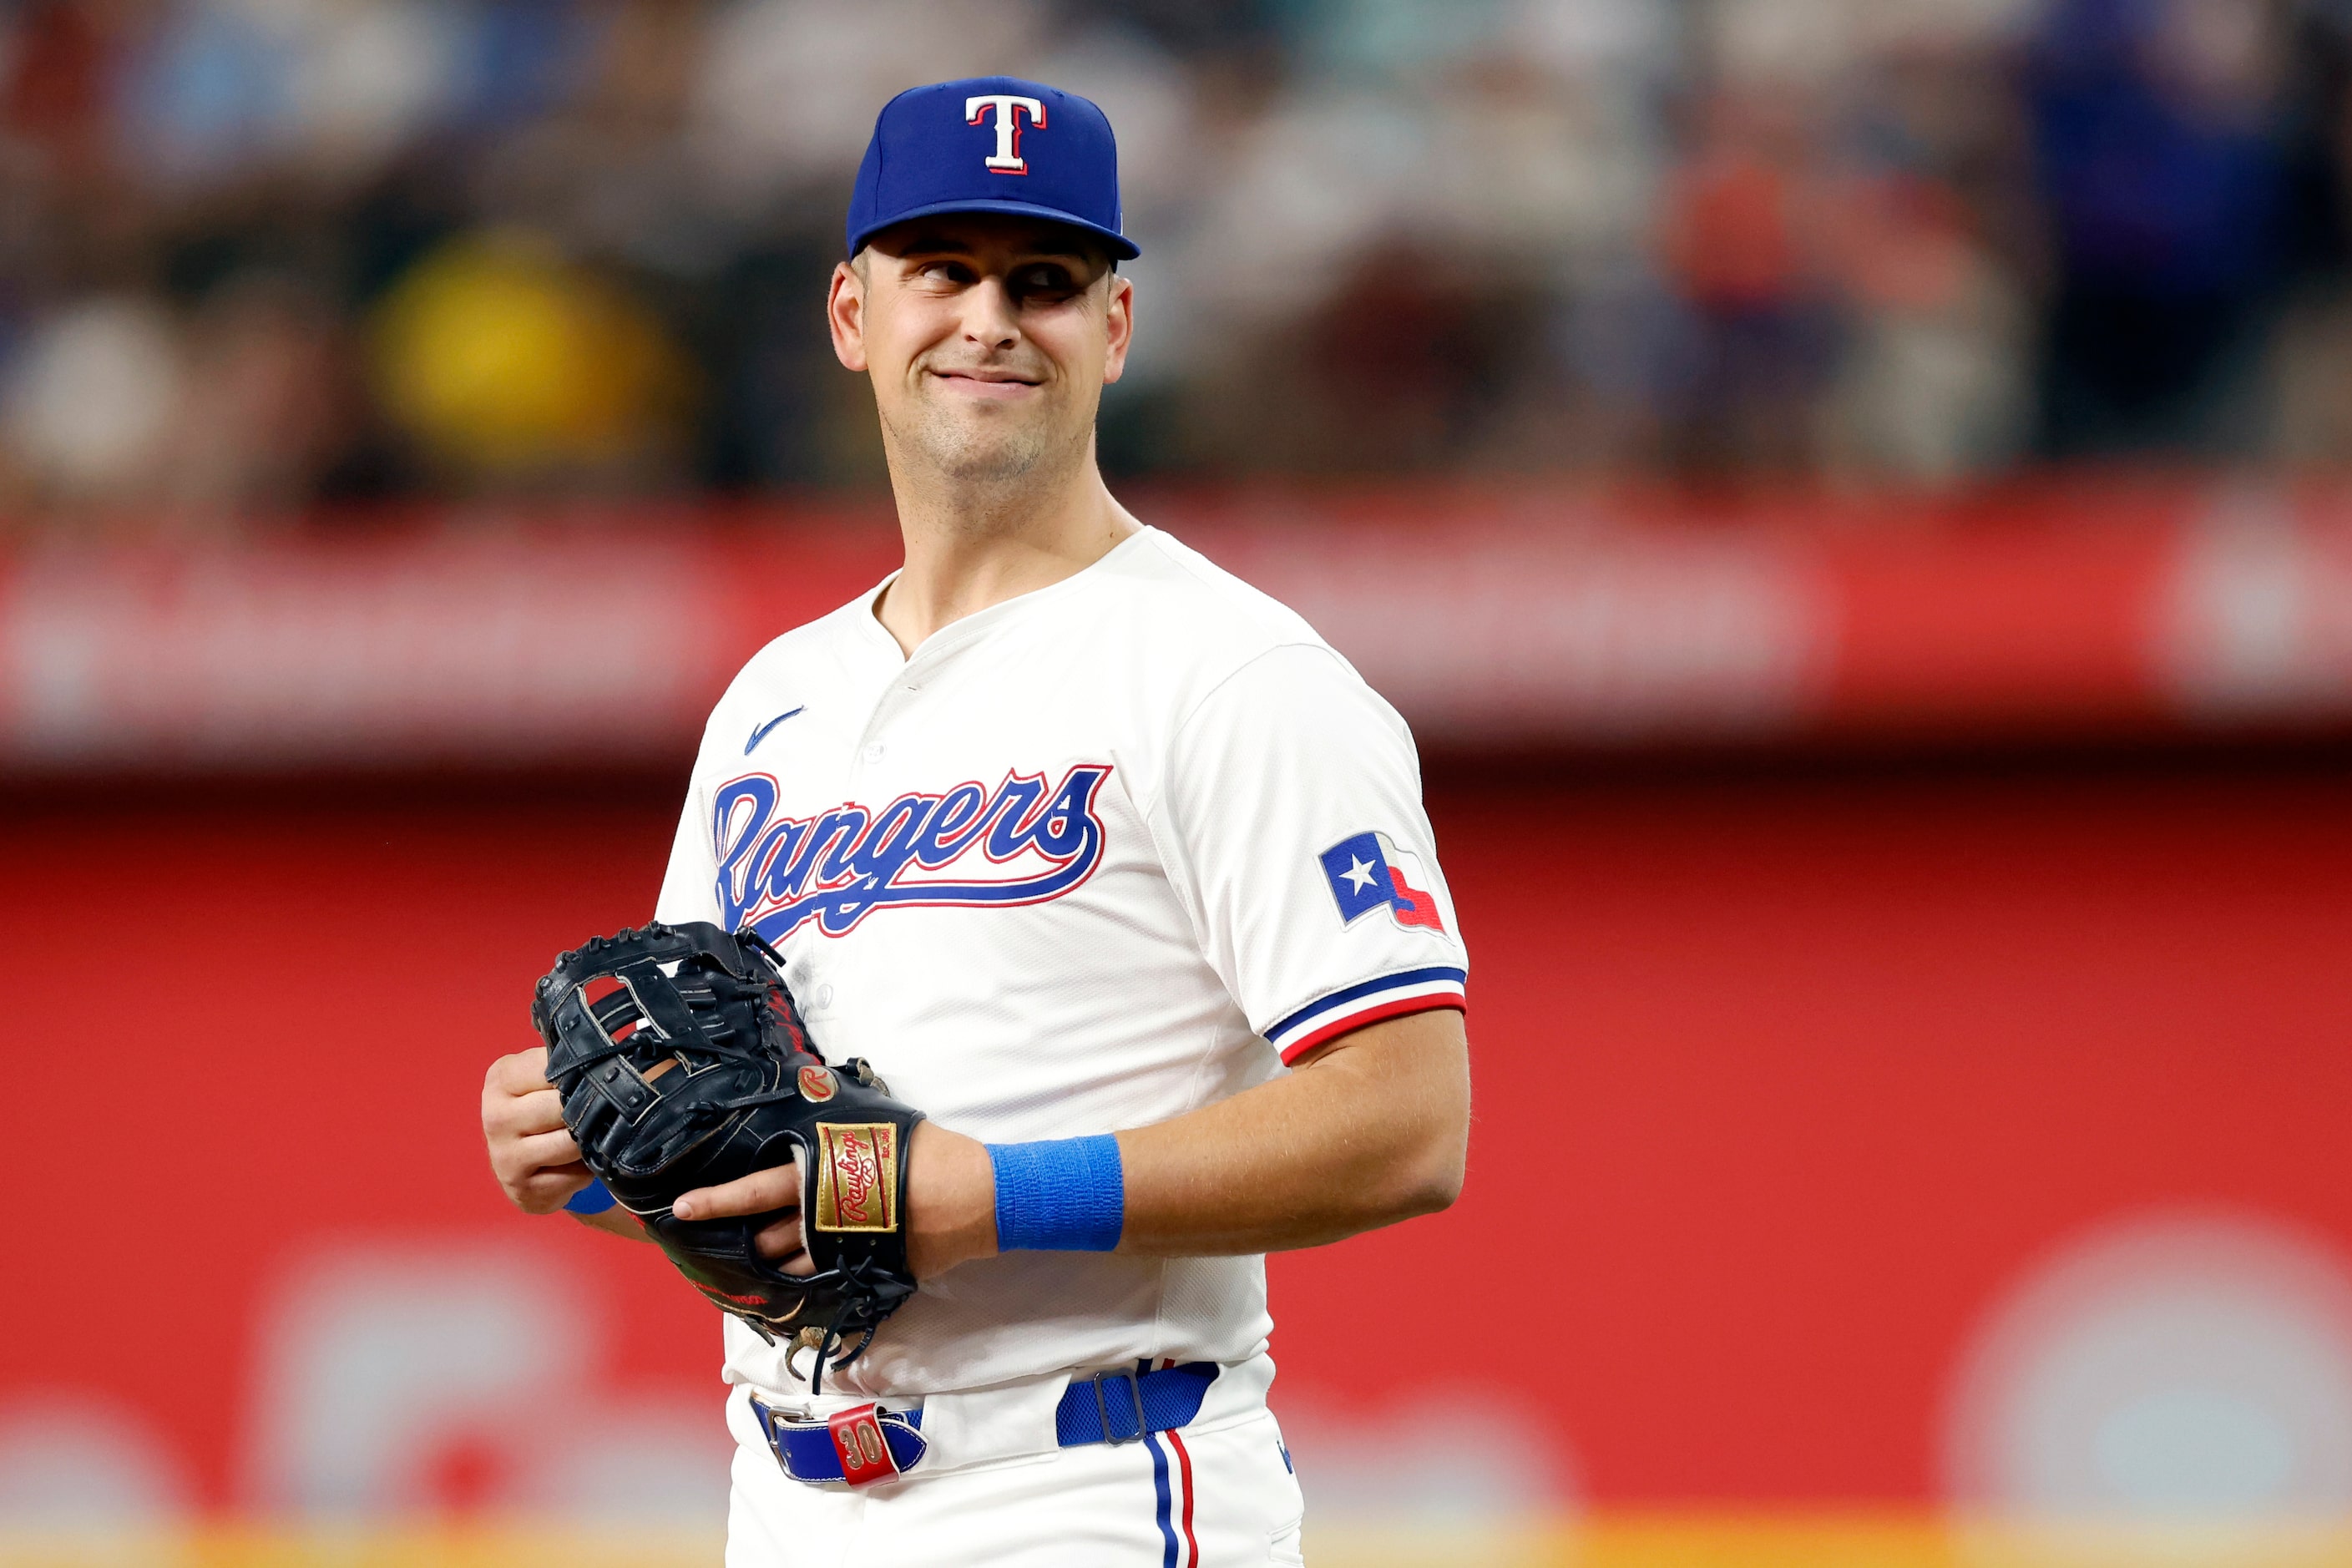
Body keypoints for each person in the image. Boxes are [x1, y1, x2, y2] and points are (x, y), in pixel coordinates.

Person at [481, 76, 1471, 1565]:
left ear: (1116, 329)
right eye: (941, 270)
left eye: (1046, 282)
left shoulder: (1234, 672)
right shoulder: (776, 698)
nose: (989, 319)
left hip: (1087, 1483)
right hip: (790, 1497)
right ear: (850, 312)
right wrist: (601, 1158)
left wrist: (992, 1192)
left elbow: (1408, 1123)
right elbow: (779, 1175)